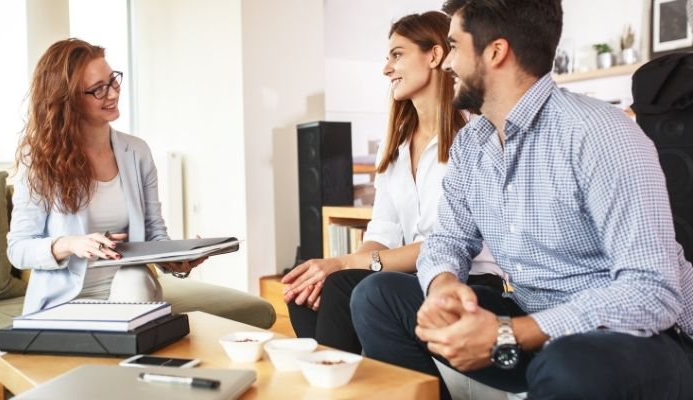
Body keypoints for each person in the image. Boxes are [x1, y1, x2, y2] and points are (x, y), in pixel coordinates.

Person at [350, 0, 693, 399]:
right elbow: (448, 242)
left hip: (643, 340)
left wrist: (512, 331)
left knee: (566, 366)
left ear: (495, 52)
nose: (446, 64)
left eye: (455, 47)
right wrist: (441, 287)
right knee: (377, 297)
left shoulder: (599, 134)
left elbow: (653, 293)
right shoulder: (471, 147)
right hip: (534, 326)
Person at [282, 11, 502, 357]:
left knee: (339, 284)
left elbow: (446, 242)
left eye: (397, 55)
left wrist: (344, 265)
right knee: (308, 293)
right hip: (406, 277)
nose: (387, 69)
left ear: (434, 55)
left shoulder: (474, 136)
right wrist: (340, 266)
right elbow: (382, 232)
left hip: (462, 279)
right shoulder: (396, 147)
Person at [7, 38, 204, 315]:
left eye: (113, 81)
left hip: (130, 290)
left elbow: (153, 232)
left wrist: (174, 260)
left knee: (133, 280)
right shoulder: (38, 159)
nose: (112, 93)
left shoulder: (137, 152)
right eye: (98, 89)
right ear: (69, 100)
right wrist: (71, 243)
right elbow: (18, 248)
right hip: (64, 300)